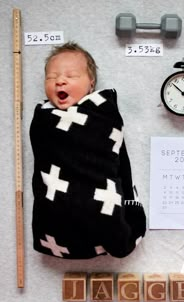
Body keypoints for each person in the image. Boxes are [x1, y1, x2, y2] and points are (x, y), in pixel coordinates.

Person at [30, 41, 146, 259]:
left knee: (106, 214)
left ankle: (113, 235)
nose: (60, 81)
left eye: (71, 76)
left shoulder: (102, 115)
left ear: (91, 84)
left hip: (98, 195)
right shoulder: (44, 119)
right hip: (56, 200)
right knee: (55, 211)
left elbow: (119, 161)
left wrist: (129, 199)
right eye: (51, 77)